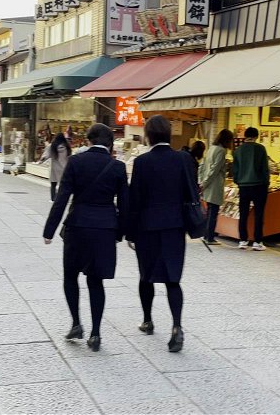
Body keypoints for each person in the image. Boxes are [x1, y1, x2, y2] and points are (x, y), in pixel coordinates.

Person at [43, 124, 128, 352]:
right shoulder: (118, 167)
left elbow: (62, 198)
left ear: (88, 141)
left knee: (70, 276)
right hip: (104, 229)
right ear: (110, 144)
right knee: (96, 280)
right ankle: (96, 333)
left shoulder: (76, 162)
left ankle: (76, 323)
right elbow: (125, 205)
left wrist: (49, 230)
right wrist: (121, 233)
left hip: (77, 225)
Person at [129, 115, 198, 352]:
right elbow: (192, 192)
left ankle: (148, 320)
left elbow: (134, 200)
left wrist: (130, 232)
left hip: (147, 228)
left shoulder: (142, 162)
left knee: (146, 275)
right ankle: (177, 326)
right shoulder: (183, 159)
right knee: (172, 279)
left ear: (148, 135)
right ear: (169, 134)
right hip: (174, 227)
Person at [232, 127, 270, 250]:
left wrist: (238, 181)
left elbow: (235, 170)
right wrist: (266, 182)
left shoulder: (238, 150)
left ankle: (242, 240)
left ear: (245, 136)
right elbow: (265, 168)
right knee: (259, 214)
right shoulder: (260, 149)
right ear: (256, 136)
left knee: (243, 213)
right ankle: (257, 241)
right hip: (259, 185)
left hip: (243, 186)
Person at [199, 130, 233, 246]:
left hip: (208, 185)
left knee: (209, 211)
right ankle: (210, 238)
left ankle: (206, 235)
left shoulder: (211, 148)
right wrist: (206, 182)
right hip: (215, 184)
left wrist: (202, 181)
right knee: (213, 212)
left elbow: (203, 165)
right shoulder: (221, 151)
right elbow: (215, 169)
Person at [48, 132, 71, 201]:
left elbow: (48, 155)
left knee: (53, 184)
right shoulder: (66, 146)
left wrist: (41, 160)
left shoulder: (52, 145)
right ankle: (62, 197)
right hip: (64, 166)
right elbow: (69, 155)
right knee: (63, 184)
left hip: (54, 167)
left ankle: (53, 198)